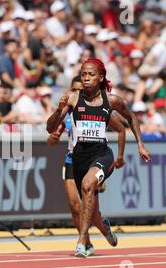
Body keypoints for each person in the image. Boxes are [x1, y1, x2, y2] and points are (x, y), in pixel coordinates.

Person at [47, 58, 151, 258]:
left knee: (88, 185)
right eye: (84, 74)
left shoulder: (111, 100)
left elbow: (130, 118)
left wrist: (140, 144)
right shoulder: (72, 99)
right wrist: (59, 110)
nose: (86, 78)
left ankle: (82, 241)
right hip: (78, 157)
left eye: (91, 74)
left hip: (102, 154)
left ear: (101, 77)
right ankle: (105, 230)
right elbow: (50, 128)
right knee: (91, 212)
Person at [48, 75, 127, 256]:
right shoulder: (66, 111)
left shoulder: (97, 107)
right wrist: (52, 138)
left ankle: (104, 229)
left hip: (92, 159)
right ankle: (86, 243)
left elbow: (121, 128)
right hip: (71, 160)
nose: (80, 92)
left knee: (91, 211)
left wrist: (120, 156)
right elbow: (51, 138)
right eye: (75, 90)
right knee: (75, 207)